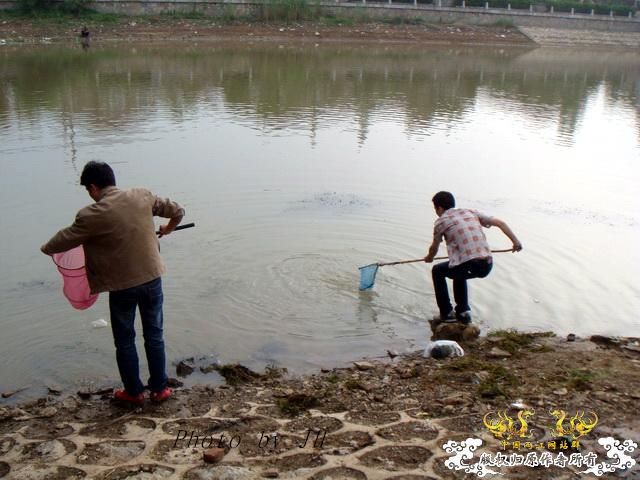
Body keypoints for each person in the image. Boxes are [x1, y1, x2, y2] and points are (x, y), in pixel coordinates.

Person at [41, 161, 185, 405]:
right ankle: (160, 390)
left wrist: (45, 248)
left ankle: (133, 392)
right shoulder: (142, 196)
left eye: (89, 190)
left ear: (94, 187)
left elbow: (60, 242)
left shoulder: (90, 215)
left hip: (122, 288)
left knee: (125, 340)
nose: (90, 195)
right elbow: (178, 210)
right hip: (152, 279)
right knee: (154, 334)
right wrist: (168, 228)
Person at [424, 191, 522, 325]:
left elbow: (434, 248)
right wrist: (516, 242)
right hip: (487, 264)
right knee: (457, 269)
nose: (436, 212)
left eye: (435, 209)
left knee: (437, 270)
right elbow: (500, 223)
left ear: (439, 208)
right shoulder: (470, 212)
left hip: (470, 265)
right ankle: (463, 313)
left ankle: (446, 313)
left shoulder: (441, 222)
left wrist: (429, 258)